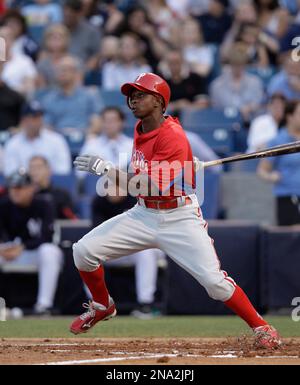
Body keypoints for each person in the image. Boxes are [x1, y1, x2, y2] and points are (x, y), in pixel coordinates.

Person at [70, 72, 281, 349]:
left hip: (179, 217)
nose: (133, 100)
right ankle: (102, 305)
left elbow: (144, 185)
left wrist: (106, 169)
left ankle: (262, 327)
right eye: (131, 96)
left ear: (159, 101)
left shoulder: (173, 135)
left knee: (214, 284)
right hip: (144, 213)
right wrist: (177, 166)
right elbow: (146, 175)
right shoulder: (142, 128)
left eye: (140, 95)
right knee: (83, 251)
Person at [80, 106, 162, 318]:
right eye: (110, 183)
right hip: (111, 248)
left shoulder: (135, 194)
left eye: (118, 183)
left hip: (135, 247)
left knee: (148, 252)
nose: (114, 187)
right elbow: (95, 231)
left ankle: (145, 304)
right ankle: (97, 304)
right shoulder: (99, 202)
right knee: (84, 250)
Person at [0, 169, 63, 314]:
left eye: (20, 187)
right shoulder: (3, 206)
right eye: (13, 188)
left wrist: (23, 247)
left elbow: (47, 237)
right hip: (9, 253)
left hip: (34, 253)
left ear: (31, 188)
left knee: (49, 251)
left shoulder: (43, 204)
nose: (15, 191)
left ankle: (43, 305)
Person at [257, 100, 300, 225]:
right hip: (288, 197)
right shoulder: (278, 141)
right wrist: (271, 176)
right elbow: (262, 170)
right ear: (289, 117)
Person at [38, 55, 103, 136]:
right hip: (58, 141)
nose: (62, 73)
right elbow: (46, 125)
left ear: (76, 73)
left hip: (85, 139)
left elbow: (97, 121)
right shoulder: (49, 99)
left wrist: (88, 135)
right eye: (59, 70)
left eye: (65, 70)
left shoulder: (90, 95)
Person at [3, 100, 72, 176]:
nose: (38, 121)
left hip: (51, 185)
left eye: (40, 116)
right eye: (34, 117)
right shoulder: (13, 143)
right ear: (24, 120)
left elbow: (63, 171)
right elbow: (11, 173)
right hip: (24, 186)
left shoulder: (57, 140)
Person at [210, 42, 264, 121]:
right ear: (230, 64)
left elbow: (259, 104)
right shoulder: (217, 85)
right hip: (224, 122)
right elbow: (216, 110)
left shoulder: (255, 82)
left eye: (241, 64)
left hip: (249, 122)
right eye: (235, 64)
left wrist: (250, 107)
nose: (238, 68)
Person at [158, 48, 208, 115]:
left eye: (177, 62)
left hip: (192, 117)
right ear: (166, 63)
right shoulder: (159, 80)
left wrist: (187, 107)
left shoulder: (195, 78)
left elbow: (203, 103)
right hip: (166, 119)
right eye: (171, 63)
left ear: (183, 62)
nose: (174, 66)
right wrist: (176, 105)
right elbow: (155, 106)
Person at [28, 156, 77, 220]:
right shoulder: (25, 196)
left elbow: (72, 221)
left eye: (39, 167)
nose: (35, 171)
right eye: (31, 168)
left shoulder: (61, 195)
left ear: (49, 170)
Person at [0, 25, 37, 97]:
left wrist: (6, 90)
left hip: (15, 104)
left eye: (5, 38)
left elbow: (30, 89)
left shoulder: (25, 62)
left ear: (13, 41)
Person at [63, 0, 101, 64]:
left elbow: (97, 55)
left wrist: (85, 71)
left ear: (79, 13)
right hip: (57, 69)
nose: (67, 18)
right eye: (65, 15)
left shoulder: (92, 31)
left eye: (71, 15)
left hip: (82, 69)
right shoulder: (57, 29)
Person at [36, 23, 70, 89]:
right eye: (53, 38)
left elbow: (77, 87)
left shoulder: (73, 62)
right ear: (47, 41)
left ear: (66, 40)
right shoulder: (42, 64)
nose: (56, 42)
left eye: (59, 38)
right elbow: (41, 88)